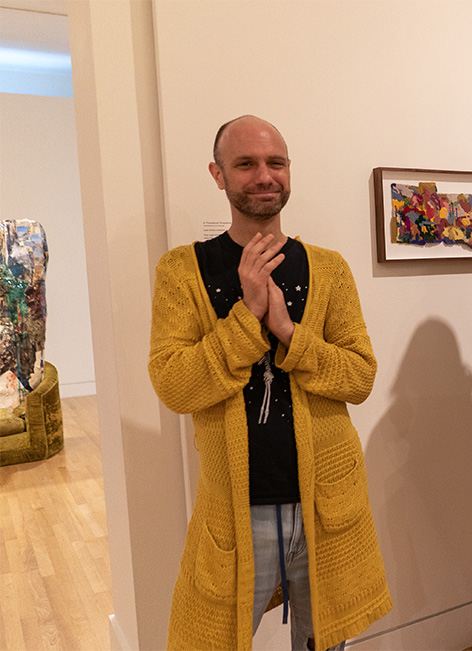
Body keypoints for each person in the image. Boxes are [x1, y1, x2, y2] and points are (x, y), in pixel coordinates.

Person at [148, 116, 391, 650]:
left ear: (289, 171)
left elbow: (359, 377)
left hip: (325, 502)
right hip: (235, 509)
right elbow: (173, 384)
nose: (264, 175)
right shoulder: (182, 270)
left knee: (323, 642)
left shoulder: (328, 269)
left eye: (275, 163)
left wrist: (285, 331)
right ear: (218, 175)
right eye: (246, 164)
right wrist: (245, 319)